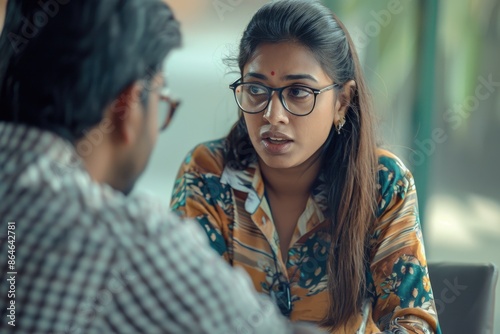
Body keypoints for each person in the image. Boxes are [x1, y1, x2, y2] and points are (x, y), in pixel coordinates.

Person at [0, 1, 323, 333]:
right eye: (162, 99)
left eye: (298, 92)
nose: (274, 116)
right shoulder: (127, 242)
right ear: (127, 106)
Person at [170, 1, 441, 333]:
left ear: (341, 102)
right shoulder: (209, 174)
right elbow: (183, 312)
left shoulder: (382, 183)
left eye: (298, 92)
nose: (273, 115)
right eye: (256, 90)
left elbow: (414, 323)